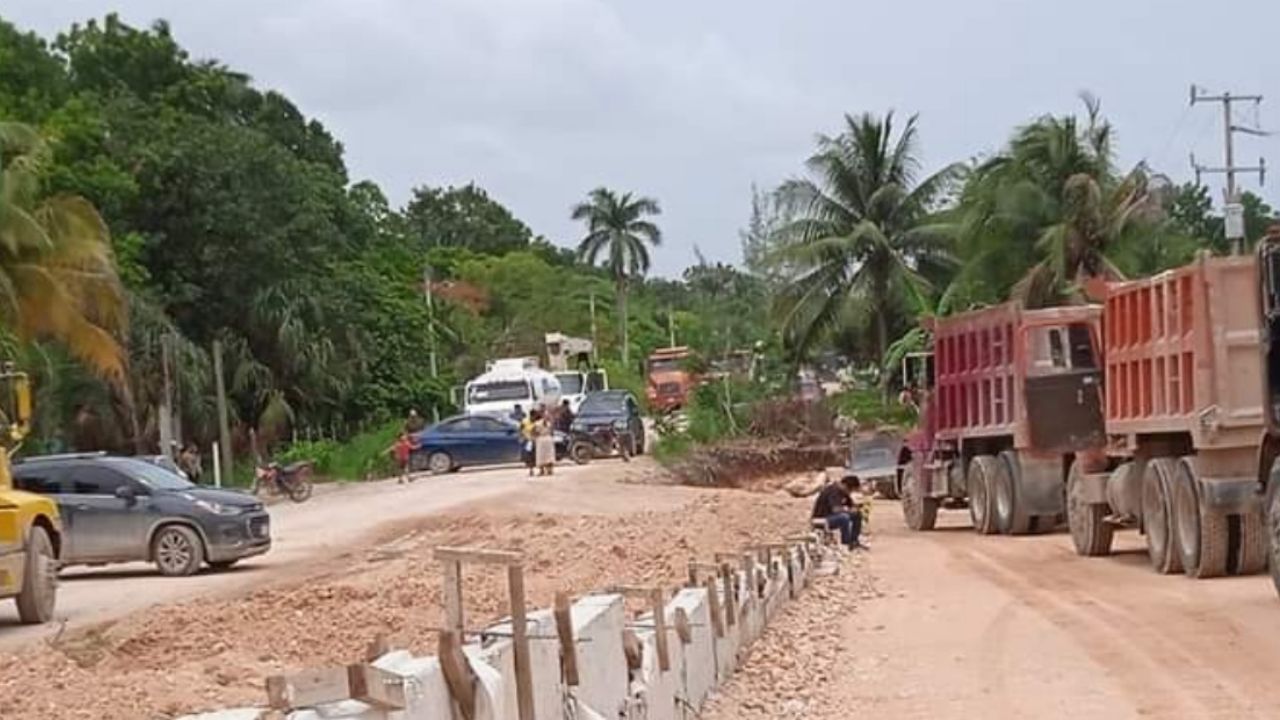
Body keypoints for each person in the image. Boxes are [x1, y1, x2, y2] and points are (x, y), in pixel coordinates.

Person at [811, 473, 867, 550]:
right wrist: (848, 510)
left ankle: (854, 540)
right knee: (844, 518)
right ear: (845, 486)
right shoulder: (834, 491)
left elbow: (851, 505)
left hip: (833, 517)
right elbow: (836, 509)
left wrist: (855, 508)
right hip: (822, 518)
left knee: (857, 515)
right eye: (850, 490)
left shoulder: (844, 492)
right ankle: (846, 543)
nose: (850, 493)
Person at [533, 411, 557, 476]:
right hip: (548, 439)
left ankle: (542, 470)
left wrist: (535, 437)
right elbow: (552, 432)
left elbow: (535, 432)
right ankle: (550, 470)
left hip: (541, 439)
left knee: (541, 455)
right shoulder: (550, 423)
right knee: (549, 455)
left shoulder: (537, 423)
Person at [520, 410, 538, 477]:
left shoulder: (536, 422)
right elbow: (520, 429)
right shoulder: (524, 421)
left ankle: (532, 468)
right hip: (526, 440)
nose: (535, 417)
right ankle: (531, 469)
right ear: (531, 415)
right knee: (528, 456)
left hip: (534, 440)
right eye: (534, 416)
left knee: (533, 456)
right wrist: (521, 437)